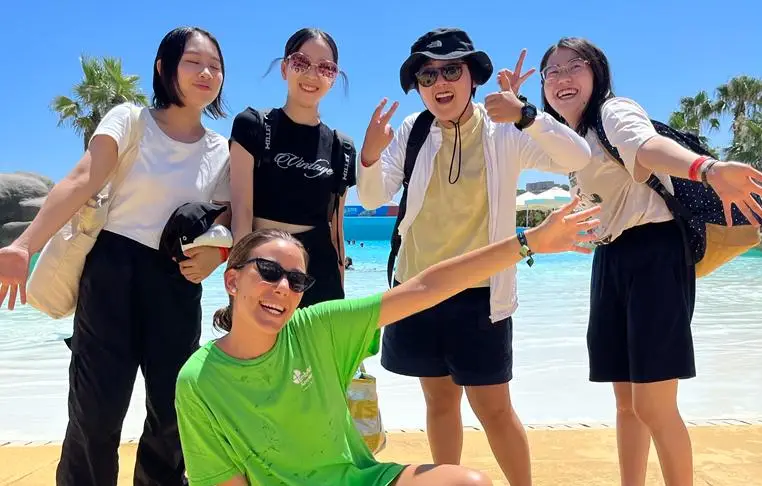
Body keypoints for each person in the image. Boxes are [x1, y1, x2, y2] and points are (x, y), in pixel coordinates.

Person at [174, 198, 602, 486]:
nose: (282, 288)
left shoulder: (317, 328)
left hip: (360, 479)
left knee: (468, 483)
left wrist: (529, 242)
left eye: (297, 280)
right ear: (232, 281)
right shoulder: (199, 380)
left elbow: (427, 287)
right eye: (268, 272)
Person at [355, 28, 592, 485]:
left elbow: (576, 157)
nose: (439, 83)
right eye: (427, 75)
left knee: (494, 408)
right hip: (417, 289)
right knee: (439, 402)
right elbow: (371, 197)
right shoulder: (413, 130)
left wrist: (527, 115)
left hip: (482, 293)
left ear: (472, 76)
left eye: (451, 71)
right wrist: (368, 157)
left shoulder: (503, 128)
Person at [0, 26, 232, 486]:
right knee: (96, 412)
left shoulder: (219, 149)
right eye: (193, 62)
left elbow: (229, 216)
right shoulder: (130, 120)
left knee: (172, 411)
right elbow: (82, 178)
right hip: (112, 272)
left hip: (177, 279)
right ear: (164, 68)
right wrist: (25, 244)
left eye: (215, 66)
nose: (206, 73)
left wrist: (218, 254)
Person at [538, 37, 762, 486]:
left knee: (654, 406)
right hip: (611, 258)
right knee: (626, 405)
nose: (563, 78)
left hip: (654, 252)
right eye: (552, 71)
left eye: (575, 66)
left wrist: (706, 169)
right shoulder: (571, 140)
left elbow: (646, 147)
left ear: (597, 73)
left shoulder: (614, 110)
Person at [227, 27, 355, 309]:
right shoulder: (252, 125)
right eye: (301, 62)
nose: (312, 75)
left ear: (334, 78)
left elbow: (337, 232)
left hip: (320, 274)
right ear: (285, 68)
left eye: (325, 68)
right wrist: (238, 288)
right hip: (265, 264)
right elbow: (241, 214)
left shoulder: (342, 146)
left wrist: (341, 303)